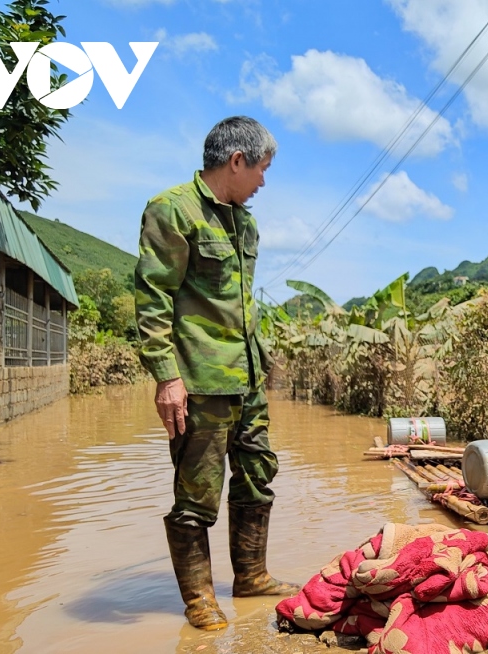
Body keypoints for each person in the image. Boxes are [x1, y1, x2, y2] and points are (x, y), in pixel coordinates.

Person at [135, 116, 297, 630]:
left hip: (247, 379)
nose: (264, 182)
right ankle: (199, 601)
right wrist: (166, 376)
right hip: (199, 381)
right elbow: (154, 295)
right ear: (237, 161)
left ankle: (250, 577)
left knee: (256, 478)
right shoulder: (173, 210)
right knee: (197, 494)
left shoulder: (244, 223)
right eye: (263, 169)